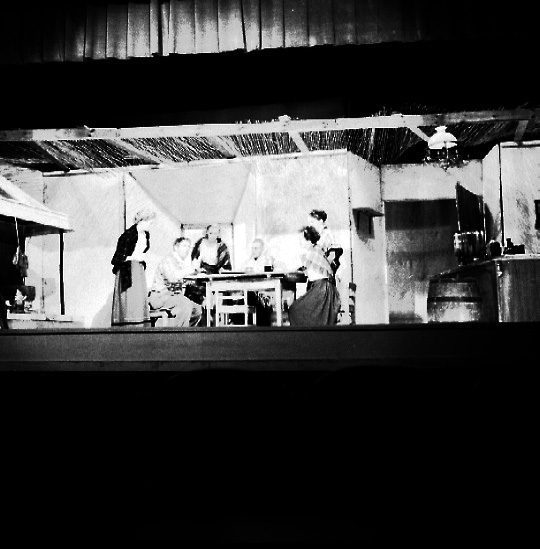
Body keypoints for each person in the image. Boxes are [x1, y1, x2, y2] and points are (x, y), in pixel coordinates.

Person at [288, 225, 341, 327]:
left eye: (301, 239)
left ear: (308, 239)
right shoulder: (314, 250)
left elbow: (304, 266)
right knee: (298, 310)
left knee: (295, 310)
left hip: (322, 290)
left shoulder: (312, 251)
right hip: (321, 288)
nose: (299, 242)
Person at [111, 209, 156, 327]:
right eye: (150, 223)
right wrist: (134, 258)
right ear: (143, 220)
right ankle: (129, 327)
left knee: (139, 299)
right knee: (130, 300)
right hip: (128, 269)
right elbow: (117, 259)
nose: (151, 225)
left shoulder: (145, 235)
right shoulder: (128, 235)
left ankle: (141, 327)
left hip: (138, 269)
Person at [148, 237, 202, 327]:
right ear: (176, 247)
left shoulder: (180, 263)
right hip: (160, 297)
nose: (187, 249)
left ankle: (185, 330)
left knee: (197, 310)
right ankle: (179, 333)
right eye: (184, 246)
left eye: (189, 246)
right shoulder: (168, 260)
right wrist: (192, 268)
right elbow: (173, 278)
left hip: (173, 297)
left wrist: (191, 277)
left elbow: (178, 280)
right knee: (185, 304)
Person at [308, 208, 343, 278]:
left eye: (312, 222)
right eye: (310, 223)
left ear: (320, 221)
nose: (310, 225)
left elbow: (333, 256)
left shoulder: (327, 236)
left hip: (325, 277)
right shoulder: (317, 236)